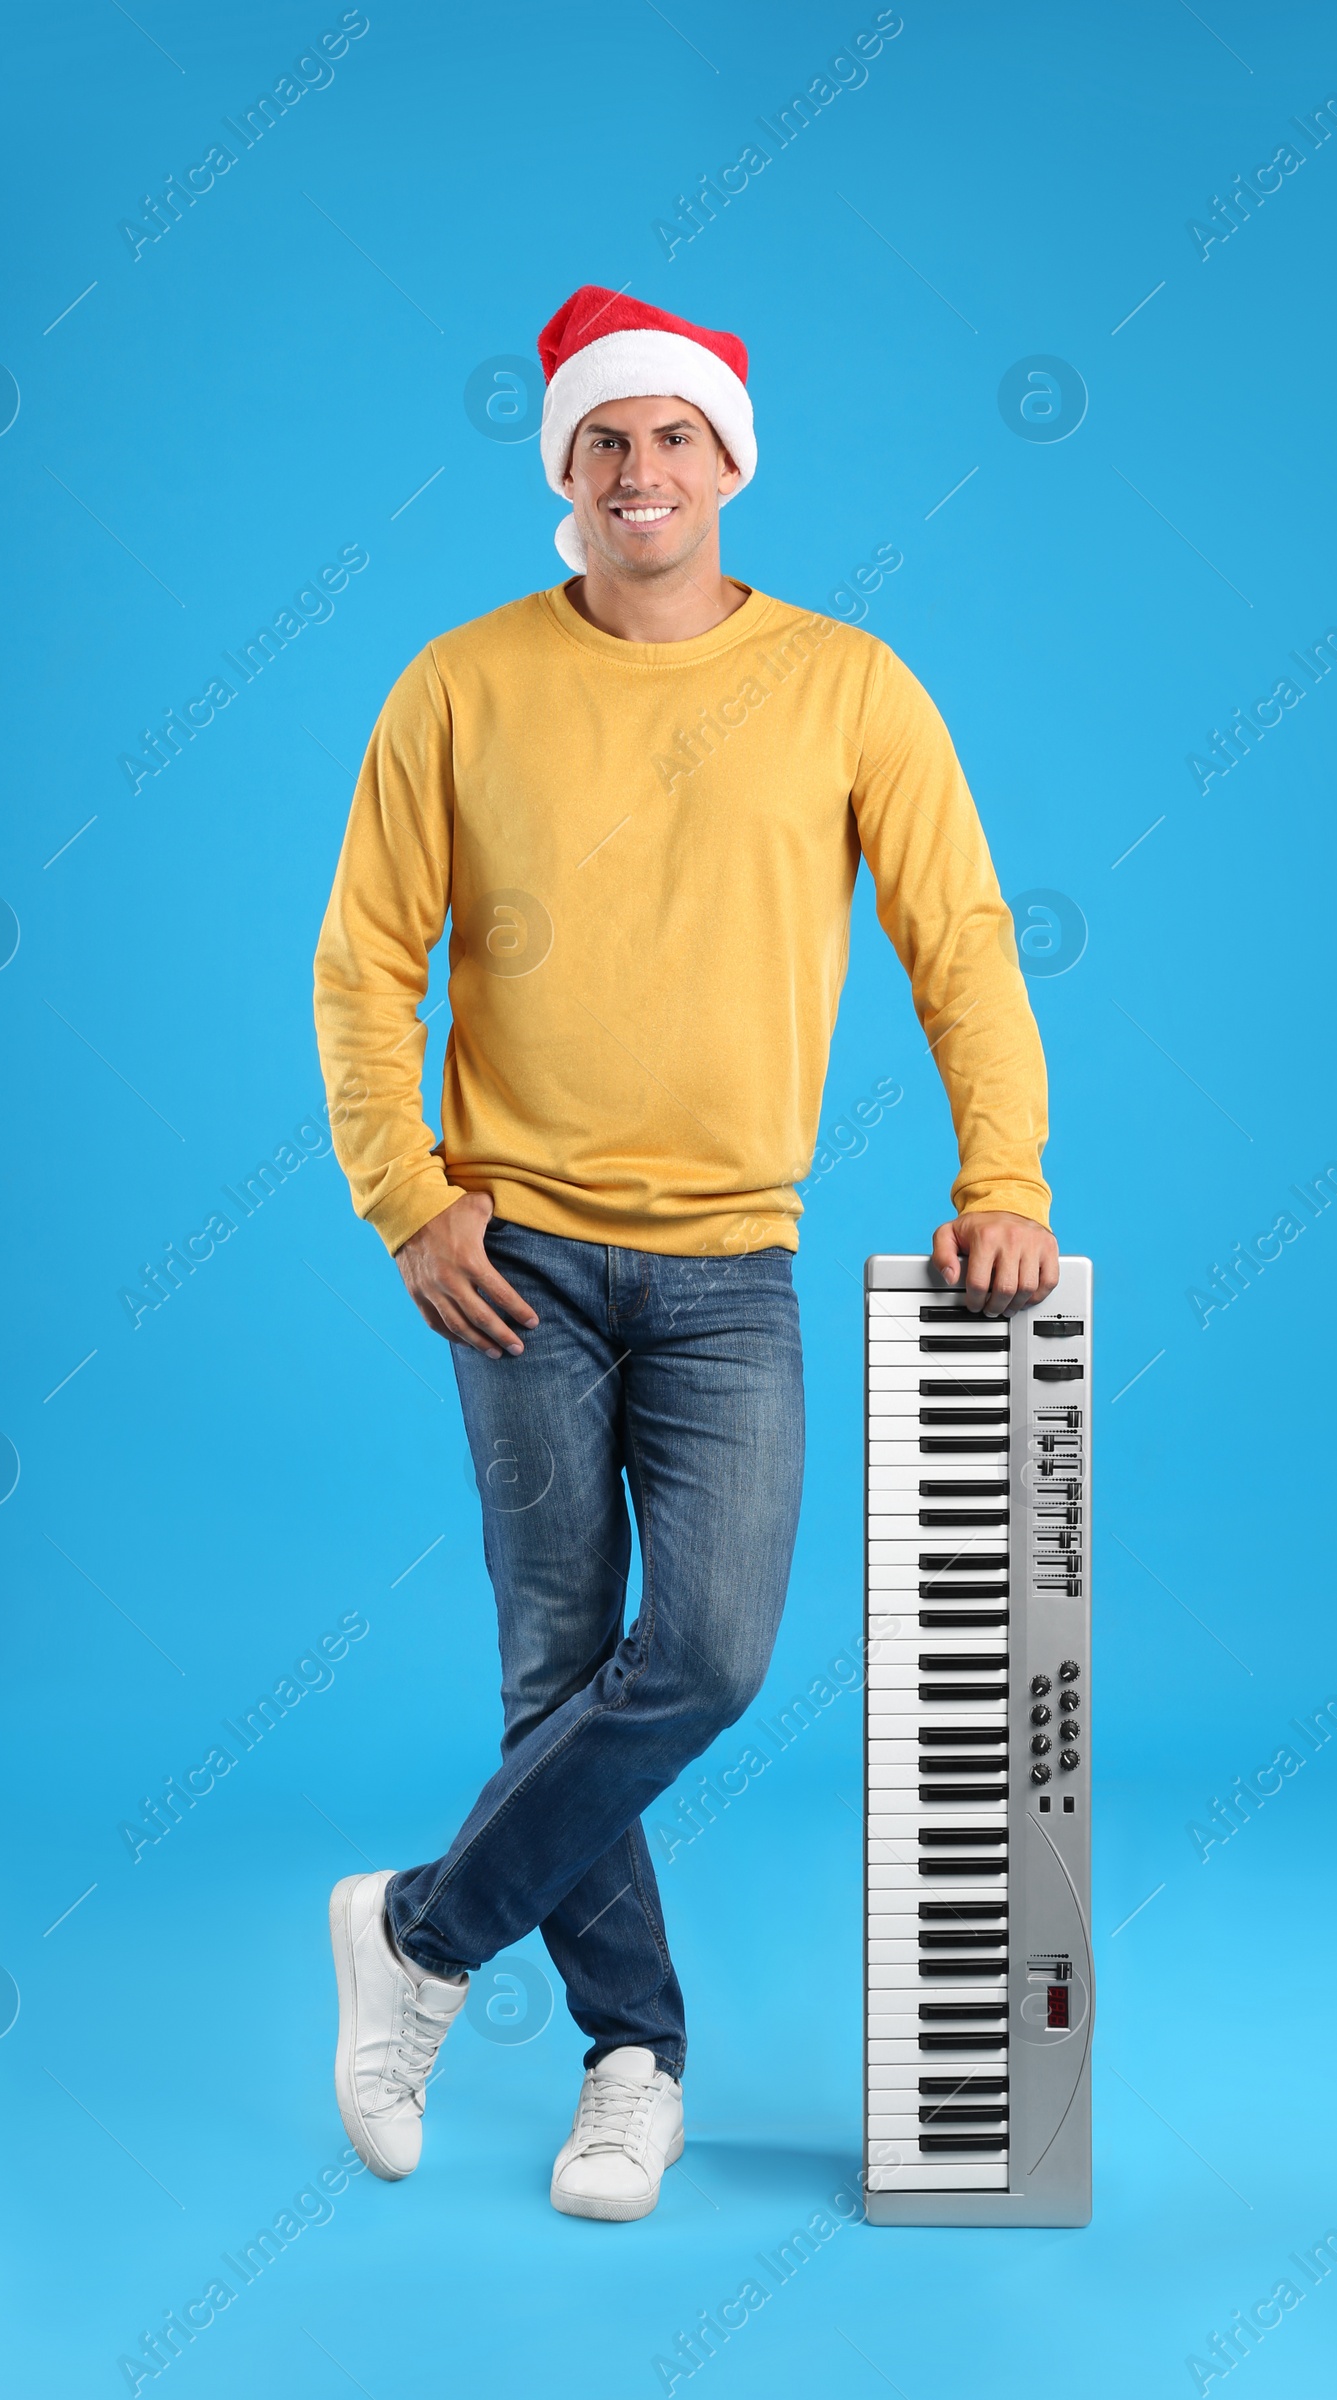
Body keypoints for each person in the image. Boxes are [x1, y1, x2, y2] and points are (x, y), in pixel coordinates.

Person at [313, 285, 1058, 2222]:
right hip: (514, 1259)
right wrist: (407, 1190)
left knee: (706, 1654)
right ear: (560, 464)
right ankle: (630, 2060)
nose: (639, 471)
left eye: (673, 438)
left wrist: (1006, 1176)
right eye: (601, 441)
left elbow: (961, 937)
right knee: (553, 1665)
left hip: (731, 1261)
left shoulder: (847, 685)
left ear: (732, 459)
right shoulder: (459, 682)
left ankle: (417, 1928)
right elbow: (365, 957)